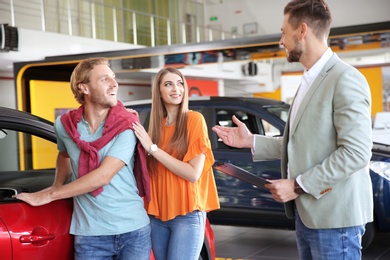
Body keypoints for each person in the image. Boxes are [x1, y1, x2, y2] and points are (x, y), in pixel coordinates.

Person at [212, 0, 373, 259]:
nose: (281, 41)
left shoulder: (345, 78)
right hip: (307, 215)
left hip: (334, 220)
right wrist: (251, 140)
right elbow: (301, 142)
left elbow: (356, 153)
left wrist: (297, 185)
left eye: (283, 32)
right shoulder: (309, 80)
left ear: (302, 30)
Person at [15, 57, 152, 260]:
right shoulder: (64, 125)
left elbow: (103, 176)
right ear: (84, 88)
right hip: (90, 234)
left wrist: (49, 195)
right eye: (105, 79)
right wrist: (56, 183)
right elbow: (64, 154)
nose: (115, 84)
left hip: (133, 229)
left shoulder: (126, 124)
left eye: (113, 78)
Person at [132, 67, 220, 260]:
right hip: (157, 216)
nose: (176, 89)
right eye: (168, 84)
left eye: (180, 83)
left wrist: (153, 149)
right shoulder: (156, 127)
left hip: (187, 215)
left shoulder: (194, 120)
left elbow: (193, 173)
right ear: (159, 91)